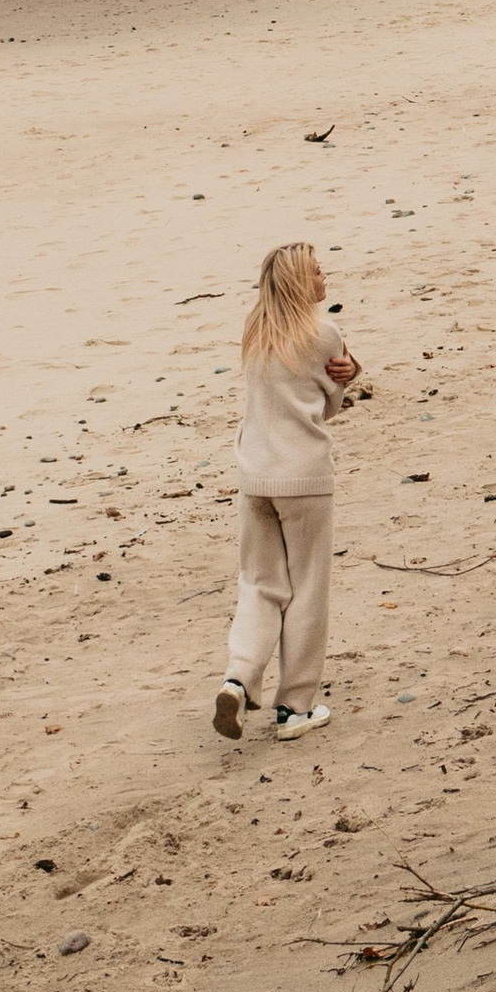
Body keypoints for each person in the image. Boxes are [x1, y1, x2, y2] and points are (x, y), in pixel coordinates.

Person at [215, 240, 360, 743]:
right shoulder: (324, 332)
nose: (325, 279)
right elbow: (329, 405)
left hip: (254, 476)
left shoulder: (255, 331)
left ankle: (239, 678)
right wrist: (350, 373)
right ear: (303, 282)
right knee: (307, 590)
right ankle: (293, 707)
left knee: (259, 584)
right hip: (303, 478)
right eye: (319, 272)